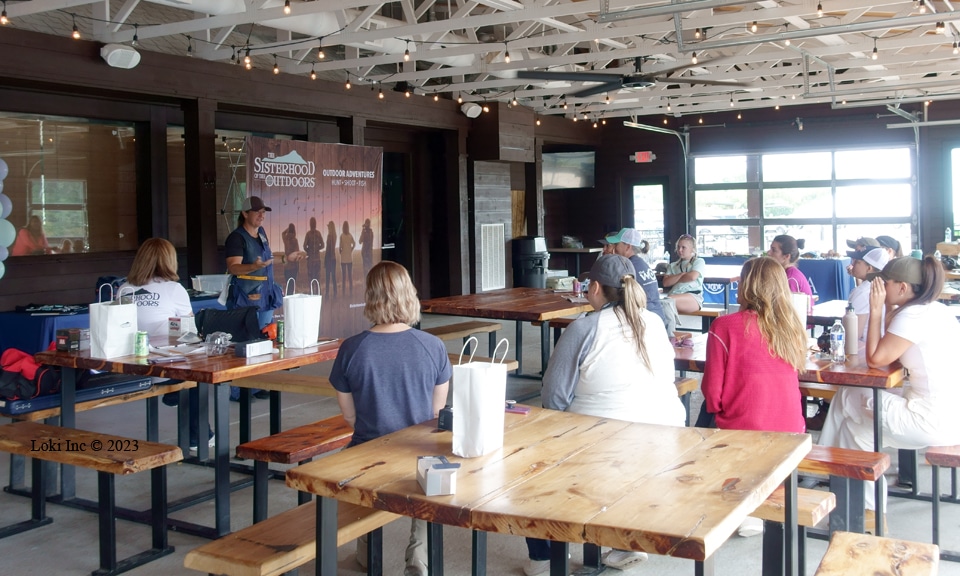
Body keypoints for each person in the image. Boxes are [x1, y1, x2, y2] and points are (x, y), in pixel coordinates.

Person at [527, 254, 684, 575]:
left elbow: (553, 395)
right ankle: (623, 541)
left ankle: (543, 559)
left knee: (529, 459)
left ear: (595, 287)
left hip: (602, 447)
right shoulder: (654, 321)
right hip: (667, 441)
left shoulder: (585, 327)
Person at [330, 261, 451, 576]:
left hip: (368, 450)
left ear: (370, 297)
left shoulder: (353, 348)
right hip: (418, 450)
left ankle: (368, 554)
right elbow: (437, 415)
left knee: (349, 474)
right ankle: (419, 557)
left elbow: (349, 415)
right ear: (408, 295)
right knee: (432, 470)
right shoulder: (433, 347)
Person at [820, 256, 960, 512]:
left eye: (885, 283)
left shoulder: (913, 316)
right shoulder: (931, 309)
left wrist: (876, 310)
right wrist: (886, 310)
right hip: (947, 414)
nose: (879, 289)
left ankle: (857, 500)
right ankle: (841, 481)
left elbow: (876, 358)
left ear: (903, 288)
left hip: (930, 420)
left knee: (851, 412)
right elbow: (887, 351)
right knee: (852, 410)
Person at [699, 256, 808, 537]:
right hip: (792, 427)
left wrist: (717, 412)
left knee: (701, 424)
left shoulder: (724, 326)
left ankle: (738, 502)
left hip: (744, 427)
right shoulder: (793, 326)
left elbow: (712, 391)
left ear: (745, 286)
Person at [119, 238, 212, 453]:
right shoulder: (174, 289)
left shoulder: (124, 289)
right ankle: (198, 437)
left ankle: (181, 404)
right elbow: (189, 330)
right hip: (165, 366)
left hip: (131, 366)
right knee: (200, 372)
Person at [225, 196, 301, 401]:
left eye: (263, 212)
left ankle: (257, 385)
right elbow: (233, 267)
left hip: (265, 297)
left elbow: (267, 259)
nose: (261, 215)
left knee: (263, 340)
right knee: (245, 343)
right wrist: (254, 267)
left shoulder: (262, 234)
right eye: (257, 211)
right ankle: (238, 390)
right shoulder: (236, 238)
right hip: (245, 299)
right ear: (244, 213)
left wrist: (286, 258)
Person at [604, 227, 667, 328]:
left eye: (616, 244)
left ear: (627, 247)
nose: (614, 249)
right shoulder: (642, 264)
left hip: (643, 323)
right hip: (658, 319)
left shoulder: (627, 268)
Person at [846, 246, 889, 343]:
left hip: (863, 350)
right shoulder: (884, 285)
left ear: (869, 268)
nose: (853, 264)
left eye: (857, 262)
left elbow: (853, 336)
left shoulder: (862, 292)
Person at [662, 233, 706, 314]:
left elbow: (692, 277)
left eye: (683, 247)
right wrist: (681, 275)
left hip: (693, 297)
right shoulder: (672, 265)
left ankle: (671, 327)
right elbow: (666, 283)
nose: (680, 250)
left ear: (692, 249)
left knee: (667, 302)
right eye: (678, 247)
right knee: (664, 303)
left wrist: (674, 278)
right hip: (674, 295)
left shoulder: (698, 261)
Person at [768, 234, 813, 313]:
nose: (769, 253)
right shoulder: (784, 274)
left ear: (786, 256)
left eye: (774, 250)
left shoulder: (791, 278)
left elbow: (787, 312)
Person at [303, 216, 324, 284]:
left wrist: (309, 250)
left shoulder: (308, 234)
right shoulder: (318, 233)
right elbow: (323, 245)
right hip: (317, 259)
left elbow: (304, 246)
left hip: (311, 260)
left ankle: (311, 292)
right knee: (317, 279)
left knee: (311, 278)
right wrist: (317, 248)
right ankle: (318, 292)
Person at [280, 222, 302, 287]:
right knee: (292, 286)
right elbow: (297, 254)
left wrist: (288, 229)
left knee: (288, 285)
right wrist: (298, 268)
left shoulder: (285, 239)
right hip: (293, 266)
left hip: (286, 266)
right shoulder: (295, 240)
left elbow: (283, 233)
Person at [340, 220, 356, 295]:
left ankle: (343, 293)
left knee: (344, 277)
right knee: (350, 276)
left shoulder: (341, 236)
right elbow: (354, 243)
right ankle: (351, 292)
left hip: (343, 259)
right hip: (349, 258)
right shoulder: (350, 236)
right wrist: (351, 250)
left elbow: (340, 247)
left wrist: (341, 251)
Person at [324, 220, 338, 296]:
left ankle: (327, 293)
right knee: (333, 276)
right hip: (333, 258)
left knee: (327, 277)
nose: (328, 228)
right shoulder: (335, 235)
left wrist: (325, 260)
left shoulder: (329, 236)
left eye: (329, 227)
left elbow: (328, 249)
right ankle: (335, 293)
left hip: (329, 258)